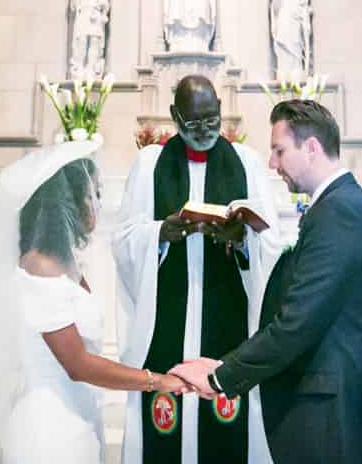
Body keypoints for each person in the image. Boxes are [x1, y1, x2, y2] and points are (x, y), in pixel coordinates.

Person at [168, 99, 362, 464]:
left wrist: (222, 377)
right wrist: (221, 367)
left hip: (329, 411)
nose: (272, 163)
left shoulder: (340, 212)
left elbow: (296, 324)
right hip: (325, 401)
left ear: (312, 148)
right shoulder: (333, 206)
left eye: (279, 150)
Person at [0, 139, 188, 464]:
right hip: (47, 430)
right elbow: (78, 364)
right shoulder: (39, 269)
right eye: (92, 194)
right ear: (67, 203)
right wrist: (156, 381)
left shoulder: (66, 264)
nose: (98, 203)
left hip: (78, 414)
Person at [113, 76, 283, 464]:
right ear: (175, 117)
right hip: (167, 314)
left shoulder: (247, 162)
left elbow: (273, 245)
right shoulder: (149, 164)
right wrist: (161, 232)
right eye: (194, 123)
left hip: (229, 312)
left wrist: (242, 238)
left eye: (212, 120)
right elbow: (123, 243)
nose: (205, 130)